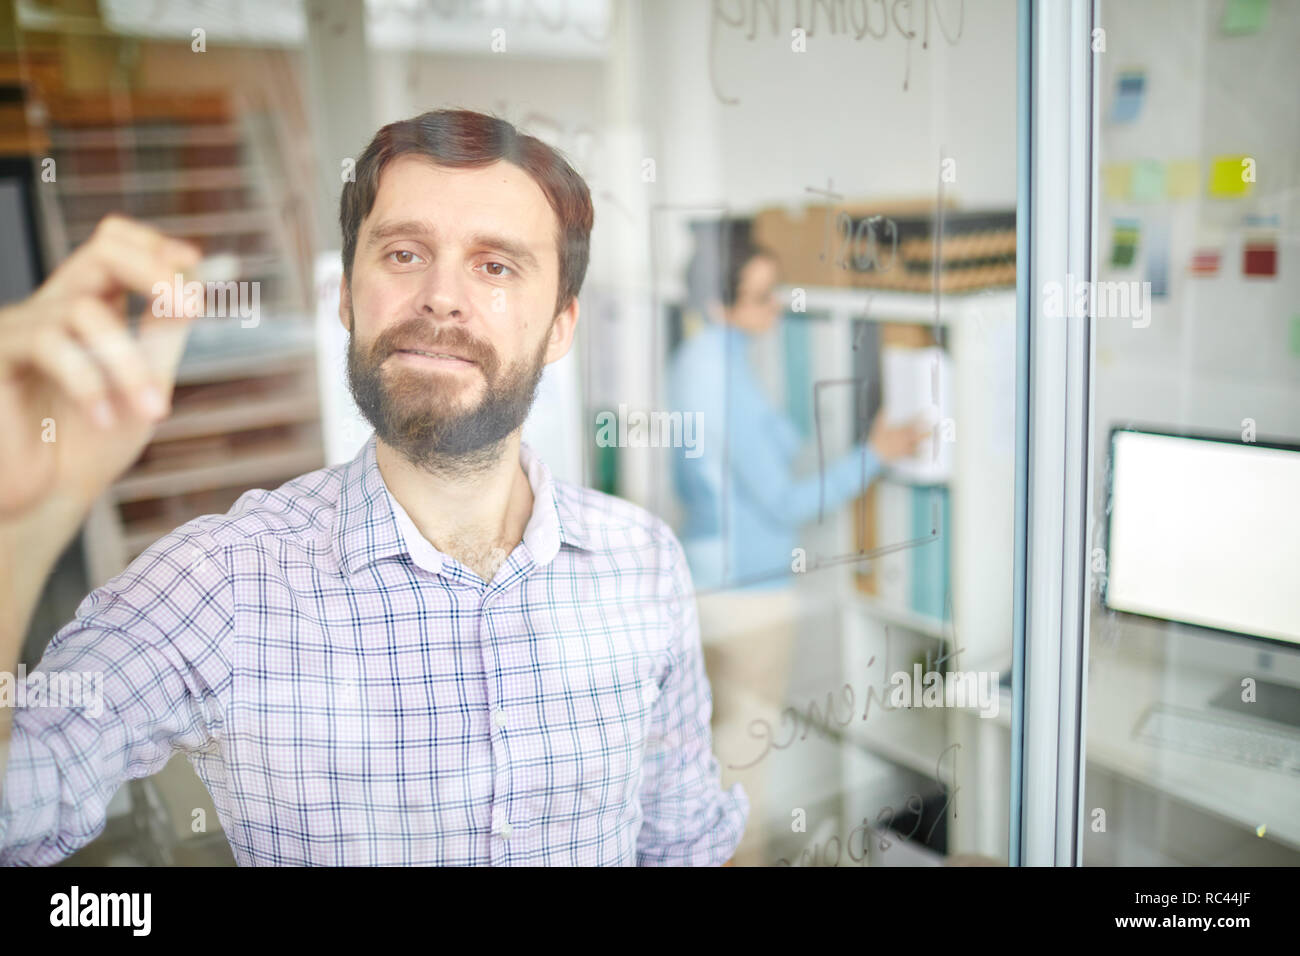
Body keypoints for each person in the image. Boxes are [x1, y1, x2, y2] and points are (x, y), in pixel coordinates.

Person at [0, 108, 746, 866]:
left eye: (495, 266)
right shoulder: (223, 583)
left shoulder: (643, 561)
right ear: (347, 298)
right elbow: (18, 803)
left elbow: (681, 843)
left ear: (560, 327)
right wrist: (14, 530)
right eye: (402, 253)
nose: (441, 297)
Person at [667, 227, 929, 864]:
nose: (776, 307)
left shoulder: (698, 359)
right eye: (760, 297)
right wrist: (878, 452)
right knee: (744, 765)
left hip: (704, 581)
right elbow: (785, 503)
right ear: (720, 304)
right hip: (748, 597)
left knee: (717, 752)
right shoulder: (721, 377)